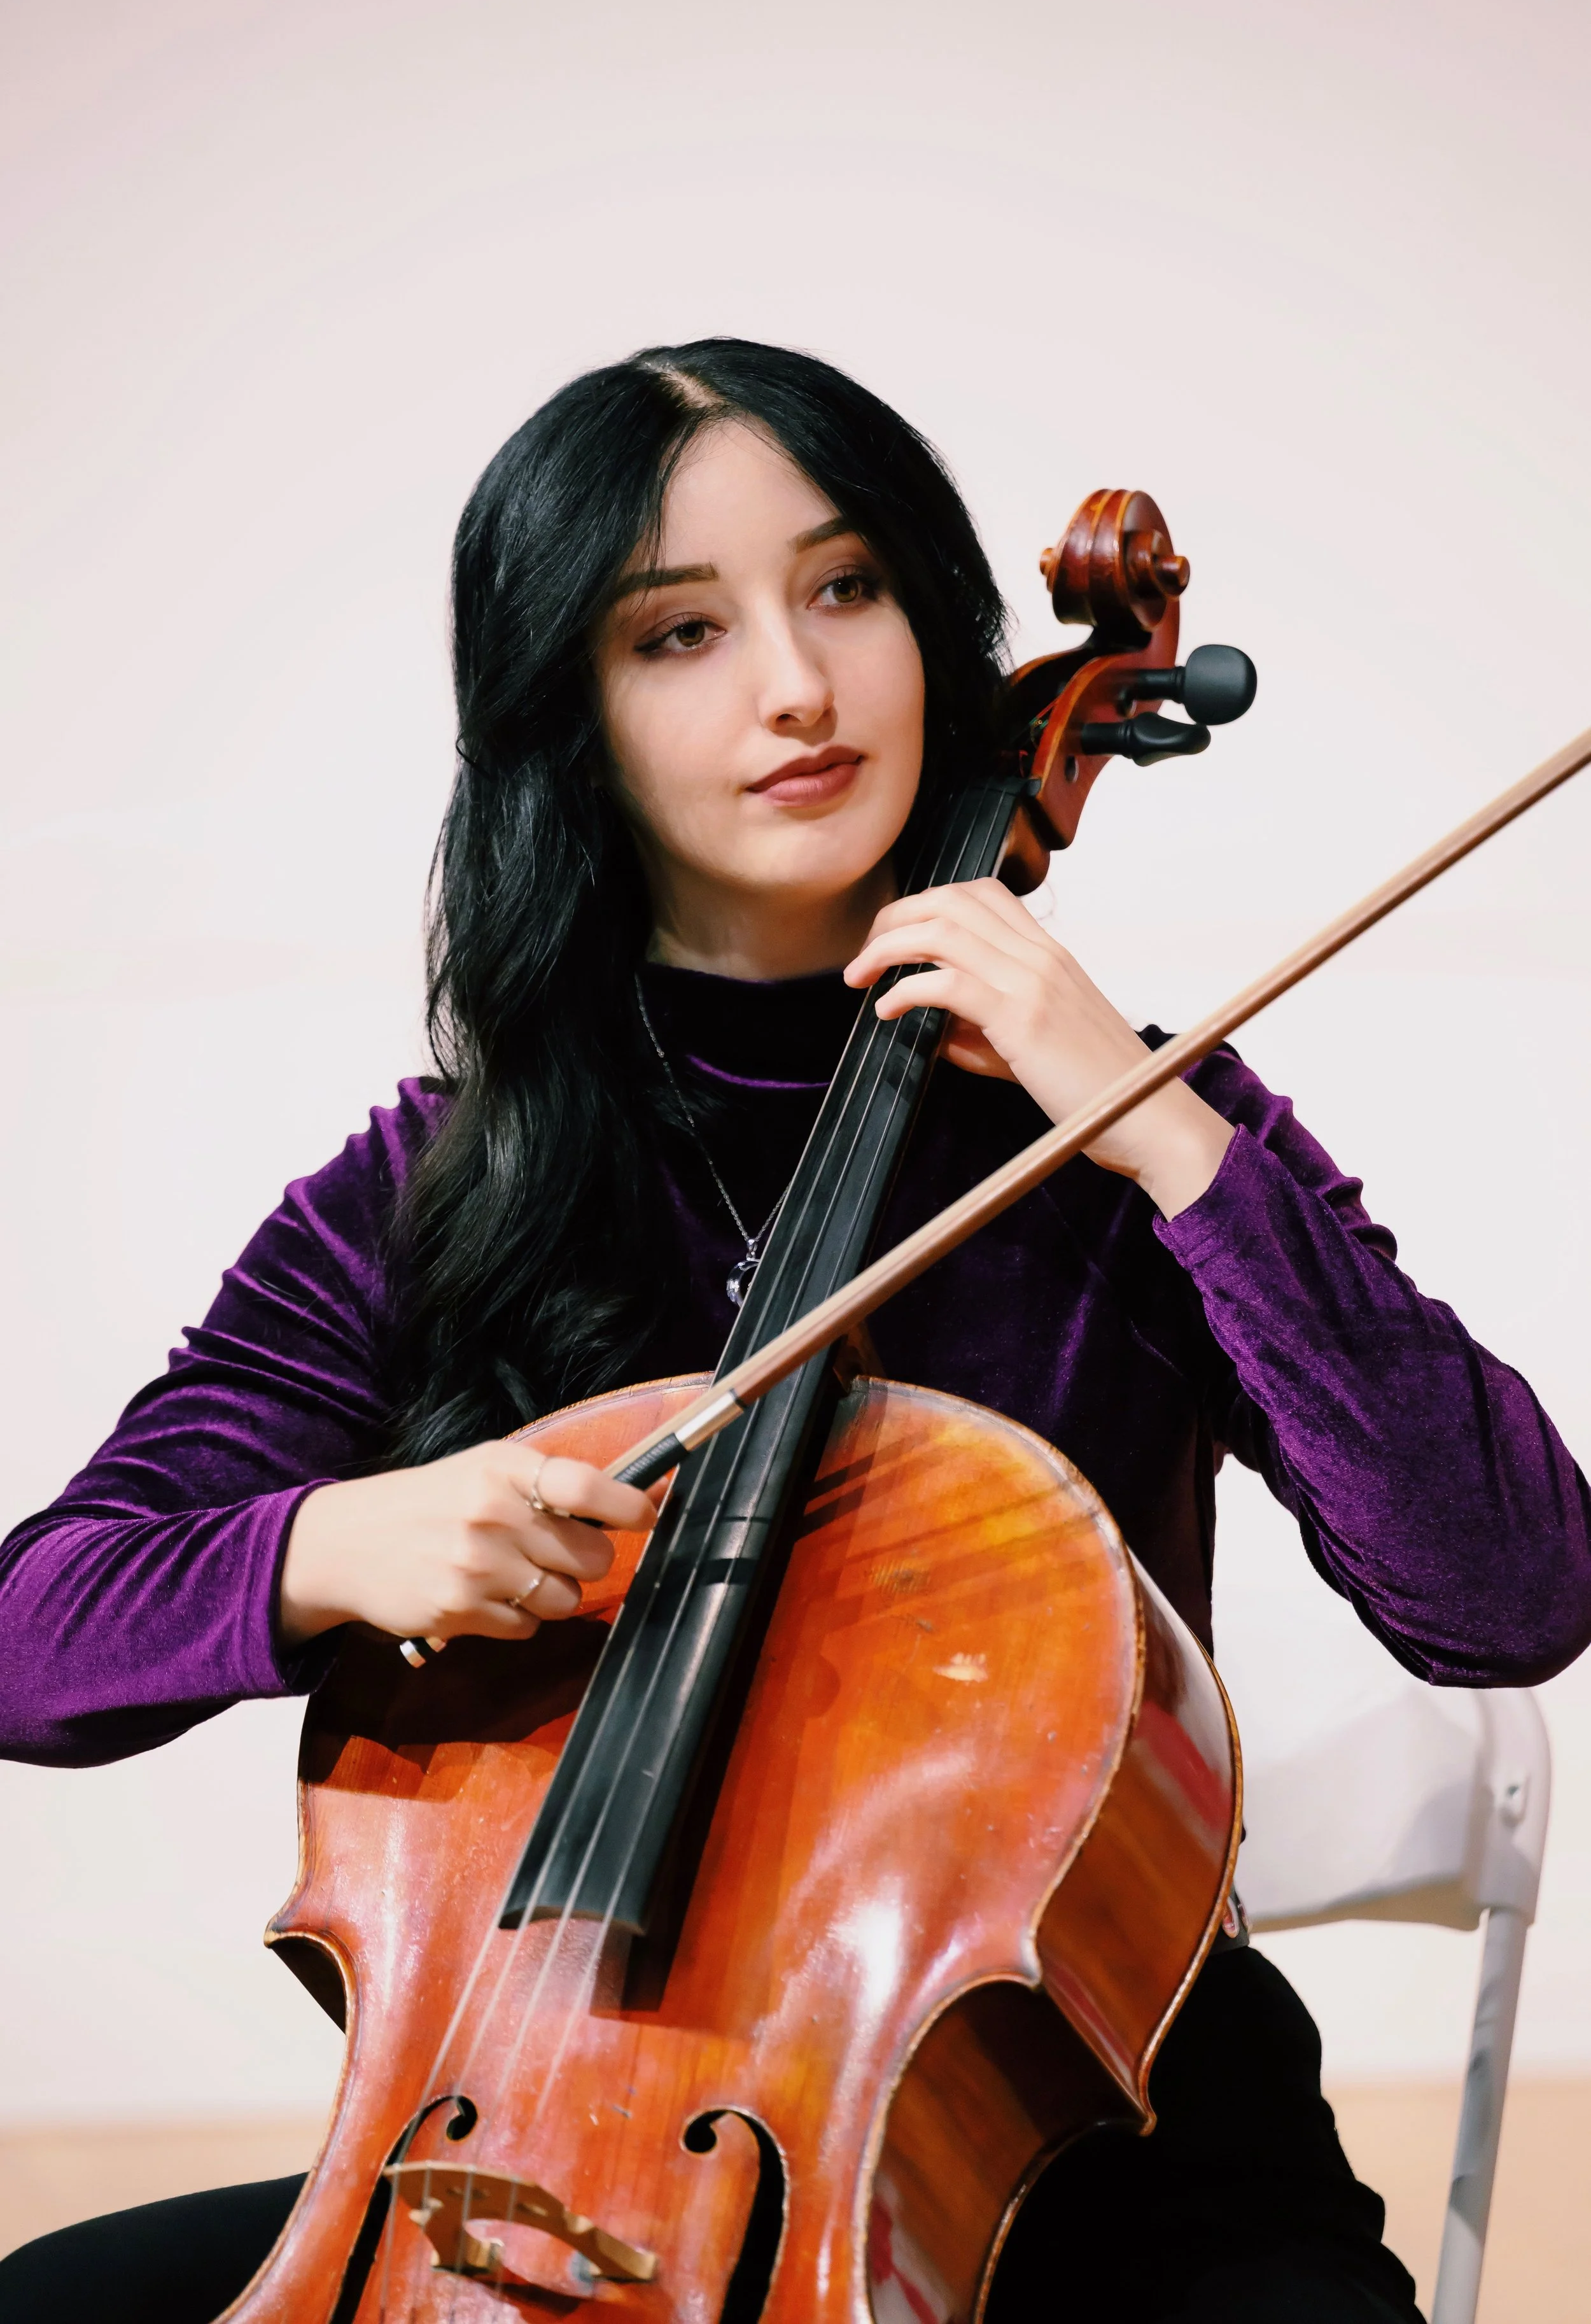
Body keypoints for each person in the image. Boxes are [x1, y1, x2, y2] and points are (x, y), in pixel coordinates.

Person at [1, 339, 1587, 2324]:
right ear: (563, 716)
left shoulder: (1118, 1125)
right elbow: (33, 1632)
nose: (796, 685)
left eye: (845, 589)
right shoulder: (438, 1188)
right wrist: (335, 1545)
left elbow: (1507, 1583)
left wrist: (1154, 1116)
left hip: (1112, 2144)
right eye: (678, 630)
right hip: (561, 2130)